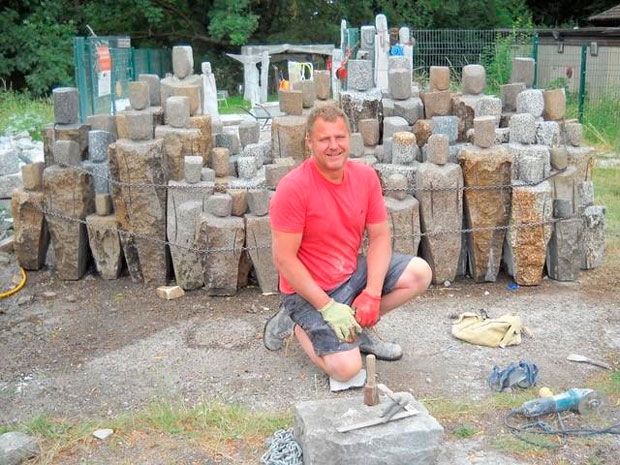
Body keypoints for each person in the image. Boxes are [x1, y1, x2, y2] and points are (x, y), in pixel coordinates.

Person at [263, 104, 432, 382]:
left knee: (419, 273)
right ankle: (297, 324)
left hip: (349, 274)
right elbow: (284, 260)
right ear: (309, 141)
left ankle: (354, 328)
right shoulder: (293, 188)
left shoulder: (365, 177)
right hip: (307, 290)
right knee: (347, 371)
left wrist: (372, 295)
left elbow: (379, 238)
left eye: (339, 137)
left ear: (349, 138)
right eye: (324, 139)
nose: (333, 146)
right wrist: (327, 307)